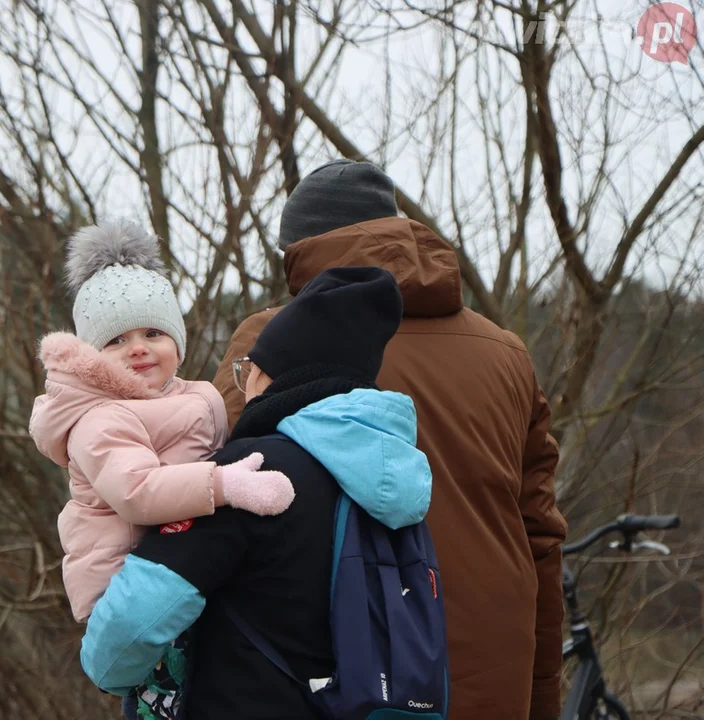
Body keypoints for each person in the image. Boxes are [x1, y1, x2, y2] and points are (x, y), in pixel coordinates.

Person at [211, 159, 568, 720]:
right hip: (495, 676)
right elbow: (540, 538)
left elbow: (207, 494)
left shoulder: (269, 345)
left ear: (298, 250)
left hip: (349, 678)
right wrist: (542, 697)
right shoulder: (506, 354)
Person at [80, 266, 435, 719]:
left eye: (248, 369)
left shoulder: (251, 472)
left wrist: (103, 665)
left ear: (274, 375)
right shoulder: (395, 476)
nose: (244, 383)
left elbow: (127, 631)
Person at [28, 220, 295, 719]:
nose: (138, 348)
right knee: (169, 698)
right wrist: (226, 485)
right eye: (116, 340)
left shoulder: (195, 396)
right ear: (92, 359)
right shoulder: (98, 418)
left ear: (177, 339)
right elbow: (137, 491)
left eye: (153, 332)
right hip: (129, 581)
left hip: (183, 562)